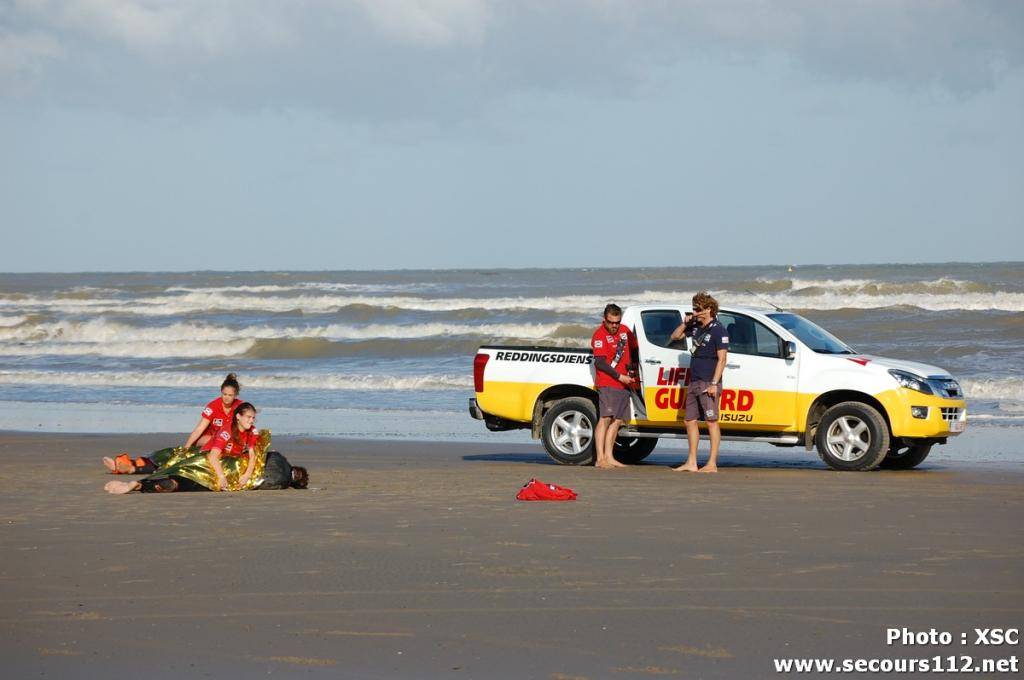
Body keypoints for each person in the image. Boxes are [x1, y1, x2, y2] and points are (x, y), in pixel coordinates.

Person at [104, 402, 283, 494]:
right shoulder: (226, 431)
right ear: (238, 417)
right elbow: (213, 456)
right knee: (179, 472)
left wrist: (245, 475)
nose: (252, 421)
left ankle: (136, 484)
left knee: (183, 482)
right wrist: (220, 476)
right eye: (249, 417)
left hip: (226, 462)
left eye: (253, 418)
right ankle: (136, 479)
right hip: (206, 460)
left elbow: (252, 455)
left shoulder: (252, 431)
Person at [102, 373, 243, 474]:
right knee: (173, 455)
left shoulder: (242, 407)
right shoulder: (213, 406)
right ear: (221, 392)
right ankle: (129, 464)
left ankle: (132, 468)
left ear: (236, 395)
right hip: (208, 442)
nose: (227, 398)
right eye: (224, 394)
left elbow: (247, 428)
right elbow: (200, 428)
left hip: (230, 444)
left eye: (230, 395)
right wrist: (187, 446)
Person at [669, 292, 729, 473]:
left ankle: (712, 463)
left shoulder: (718, 329)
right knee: (690, 420)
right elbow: (675, 337)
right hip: (694, 381)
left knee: (711, 421)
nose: (695, 312)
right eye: (694, 308)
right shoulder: (695, 326)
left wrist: (713, 383)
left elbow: (722, 359)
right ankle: (692, 462)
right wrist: (685, 322)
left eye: (698, 309)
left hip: (708, 382)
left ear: (709, 309)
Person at [591, 303, 638, 469]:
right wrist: (620, 376)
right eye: (611, 322)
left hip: (624, 383)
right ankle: (600, 458)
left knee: (617, 421)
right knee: (605, 419)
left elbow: (635, 348)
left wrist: (633, 369)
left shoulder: (625, 330)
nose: (614, 326)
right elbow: (600, 363)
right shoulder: (599, 335)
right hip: (608, 382)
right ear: (605, 320)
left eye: (617, 322)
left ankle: (610, 457)